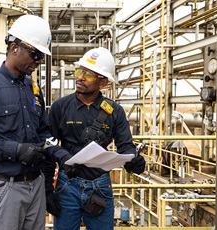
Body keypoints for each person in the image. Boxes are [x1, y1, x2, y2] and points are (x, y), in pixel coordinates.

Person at [0, 14, 69, 230]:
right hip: (5, 186)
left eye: (42, 57)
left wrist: (63, 156)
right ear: (15, 47)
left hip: (35, 185)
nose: (38, 61)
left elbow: (43, 131)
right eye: (35, 54)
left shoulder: (32, 88)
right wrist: (16, 150)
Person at [45, 47, 146, 230]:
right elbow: (49, 146)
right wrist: (47, 189)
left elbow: (126, 146)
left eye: (88, 74)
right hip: (67, 185)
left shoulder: (114, 111)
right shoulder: (61, 107)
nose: (80, 77)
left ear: (103, 82)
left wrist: (134, 161)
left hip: (100, 186)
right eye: (79, 71)